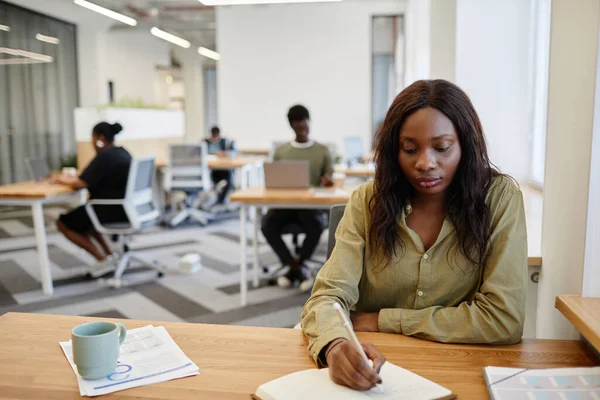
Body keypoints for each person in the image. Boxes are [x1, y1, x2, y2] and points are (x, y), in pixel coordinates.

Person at [301, 80, 527, 391]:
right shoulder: (368, 202)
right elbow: (327, 299)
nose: (425, 163)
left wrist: (382, 320)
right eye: (410, 149)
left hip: (455, 371)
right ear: (395, 151)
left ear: (466, 144)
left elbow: (503, 319)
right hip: (371, 373)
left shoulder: (499, 199)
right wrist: (336, 345)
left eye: (442, 148)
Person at [261, 105, 334, 292]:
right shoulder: (281, 151)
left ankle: (295, 267)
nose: (302, 131)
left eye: (304, 126)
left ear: (309, 123)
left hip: (310, 207)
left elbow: (330, 180)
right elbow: (273, 180)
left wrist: (327, 181)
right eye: (297, 127)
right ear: (291, 127)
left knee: (316, 225)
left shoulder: (322, 151)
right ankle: (296, 266)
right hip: (284, 205)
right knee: (267, 225)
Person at [53, 122, 132, 269]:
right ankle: (109, 257)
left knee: (63, 223)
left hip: (111, 210)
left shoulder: (104, 156)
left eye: (92, 138)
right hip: (125, 208)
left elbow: (82, 183)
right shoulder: (122, 152)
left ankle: (101, 259)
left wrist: (59, 179)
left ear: (100, 138)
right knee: (86, 221)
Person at [205, 126, 236, 205]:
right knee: (213, 180)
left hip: (224, 169)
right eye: (213, 137)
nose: (215, 139)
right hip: (212, 170)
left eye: (216, 137)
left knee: (229, 179)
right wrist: (213, 153)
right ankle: (218, 199)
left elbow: (233, 152)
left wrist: (226, 153)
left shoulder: (224, 141)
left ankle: (221, 200)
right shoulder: (205, 142)